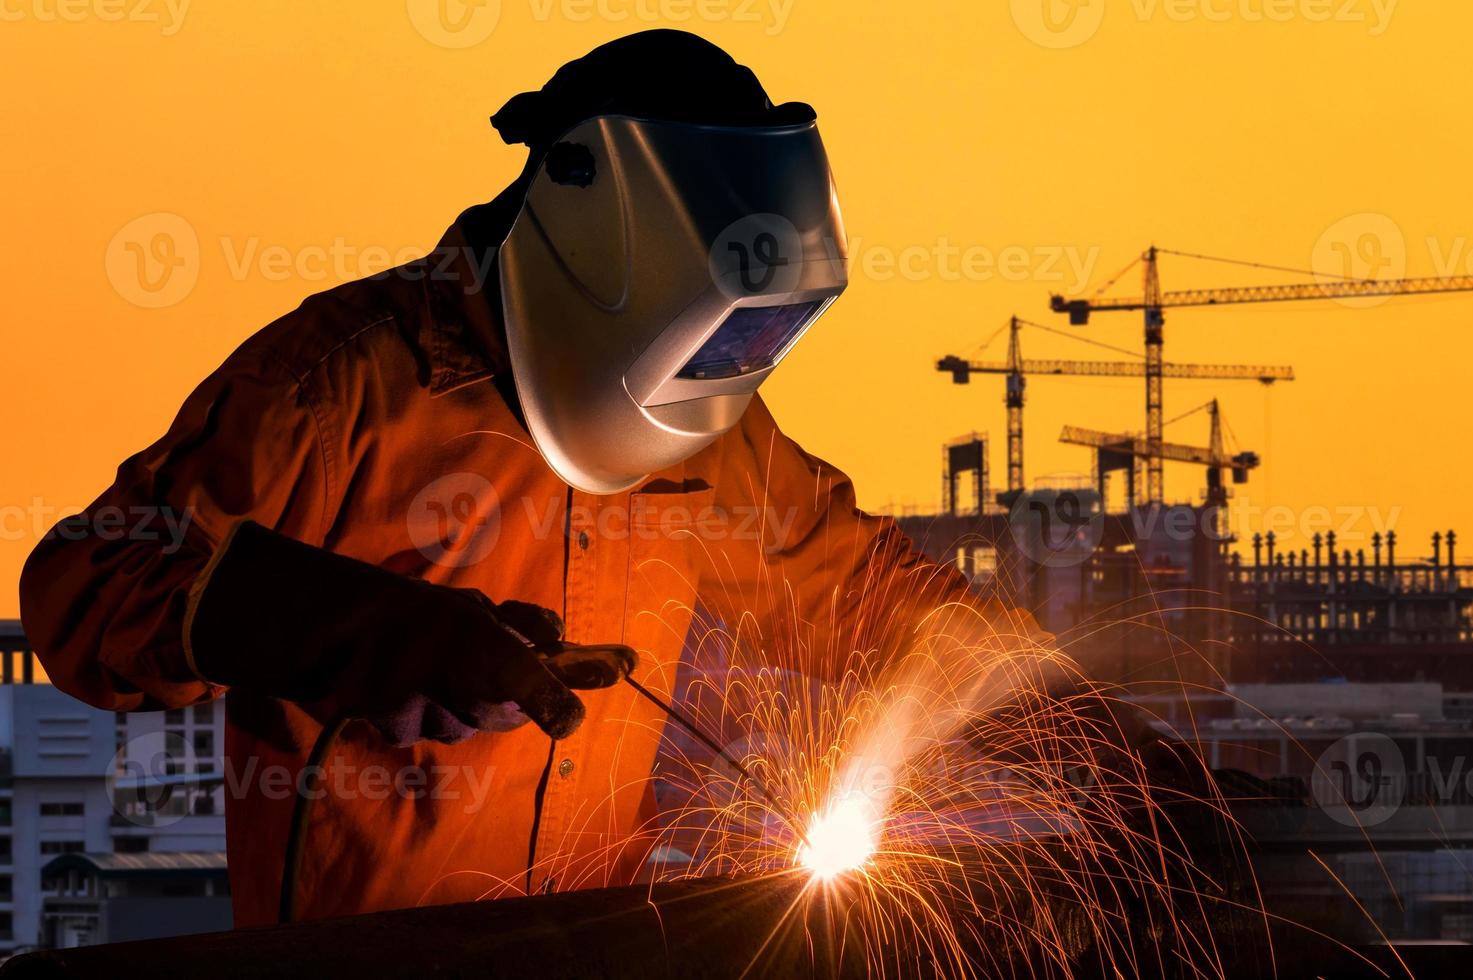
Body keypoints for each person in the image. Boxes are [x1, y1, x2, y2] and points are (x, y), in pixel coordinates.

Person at [20, 30, 1036, 925]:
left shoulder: (709, 431)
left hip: (600, 954)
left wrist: (1088, 733)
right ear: (591, 239)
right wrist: (359, 628)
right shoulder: (341, 387)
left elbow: (875, 601)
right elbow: (83, 587)